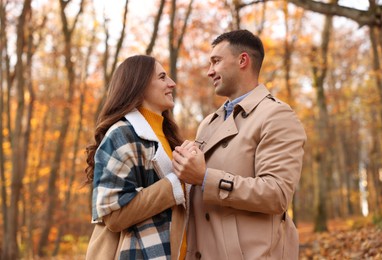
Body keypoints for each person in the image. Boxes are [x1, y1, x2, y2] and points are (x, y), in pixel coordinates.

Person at [172, 29, 307, 259]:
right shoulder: (208, 123)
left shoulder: (276, 115)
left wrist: (205, 178)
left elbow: (277, 194)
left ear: (242, 60)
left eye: (216, 61)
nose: (209, 71)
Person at [85, 55, 189, 260]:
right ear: (139, 86)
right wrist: (178, 182)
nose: (172, 83)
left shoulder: (168, 135)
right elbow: (113, 216)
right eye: (162, 77)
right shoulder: (121, 134)